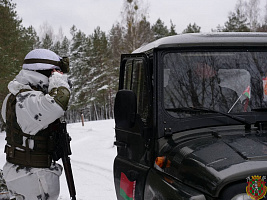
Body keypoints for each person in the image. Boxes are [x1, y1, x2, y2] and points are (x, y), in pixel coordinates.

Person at [1, 49, 71, 200]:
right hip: (33, 179)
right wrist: (58, 83)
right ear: (49, 72)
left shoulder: (15, 96)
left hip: (27, 176)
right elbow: (58, 103)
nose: (58, 76)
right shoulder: (27, 100)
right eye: (56, 73)